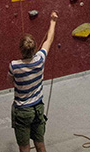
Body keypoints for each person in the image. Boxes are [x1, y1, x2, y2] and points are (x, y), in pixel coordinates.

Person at [10, 12, 57, 152]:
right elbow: (49, 40)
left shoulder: (14, 65)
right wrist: (53, 21)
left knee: (24, 147)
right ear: (35, 48)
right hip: (37, 108)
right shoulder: (40, 59)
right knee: (40, 143)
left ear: (20, 49)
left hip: (22, 111)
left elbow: (10, 81)